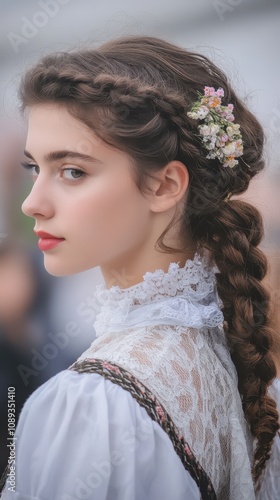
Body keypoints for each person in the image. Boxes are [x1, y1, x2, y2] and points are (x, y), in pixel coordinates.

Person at [1, 36, 279, 499]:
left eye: (72, 171)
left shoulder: (91, 403)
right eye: (34, 168)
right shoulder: (240, 364)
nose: (33, 204)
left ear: (165, 184)